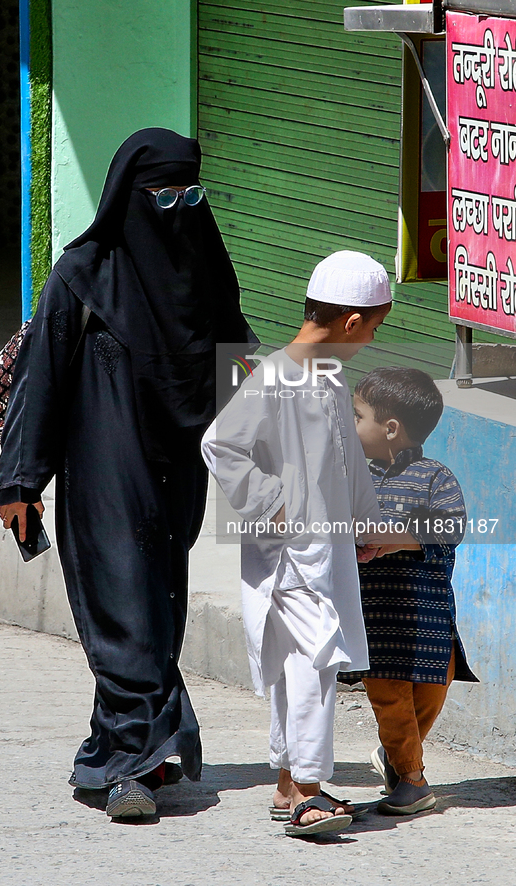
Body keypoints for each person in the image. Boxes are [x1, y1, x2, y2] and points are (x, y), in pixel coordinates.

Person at [0, 128, 254, 820]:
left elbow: (236, 365)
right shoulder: (82, 275)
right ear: (128, 198)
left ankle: (113, 750)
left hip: (179, 471)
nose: (178, 210)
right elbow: (40, 381)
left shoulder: (204, 268)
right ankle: (130, 772)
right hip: (103, 467)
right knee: (126, 611)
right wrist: (20, 482)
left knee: (153, 613)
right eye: (162, 196)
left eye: (190, 195)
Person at [202, 251, 418, 838]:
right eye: (372, 328)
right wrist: (278, 507)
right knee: (314, 661)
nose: (370, 340)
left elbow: (345, 465)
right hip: (291, 554)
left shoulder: (327, 376)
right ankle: (309, 790)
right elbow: (220, 447)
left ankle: (287, 786)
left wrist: (365, 526)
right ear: (350, 323)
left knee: (301, 662)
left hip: (326, 550)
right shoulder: (275, 375)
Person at [348, 367, 478, 815]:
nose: (349, 424)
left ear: (390, 428)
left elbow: (451, 527)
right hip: (374, 620)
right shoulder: (350, 478)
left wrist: (393, 536)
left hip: (427, 619)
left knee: (428, 695)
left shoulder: (434, 478)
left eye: (356, 414)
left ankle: (398, 755)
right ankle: (413, 781)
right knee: (389, 700)